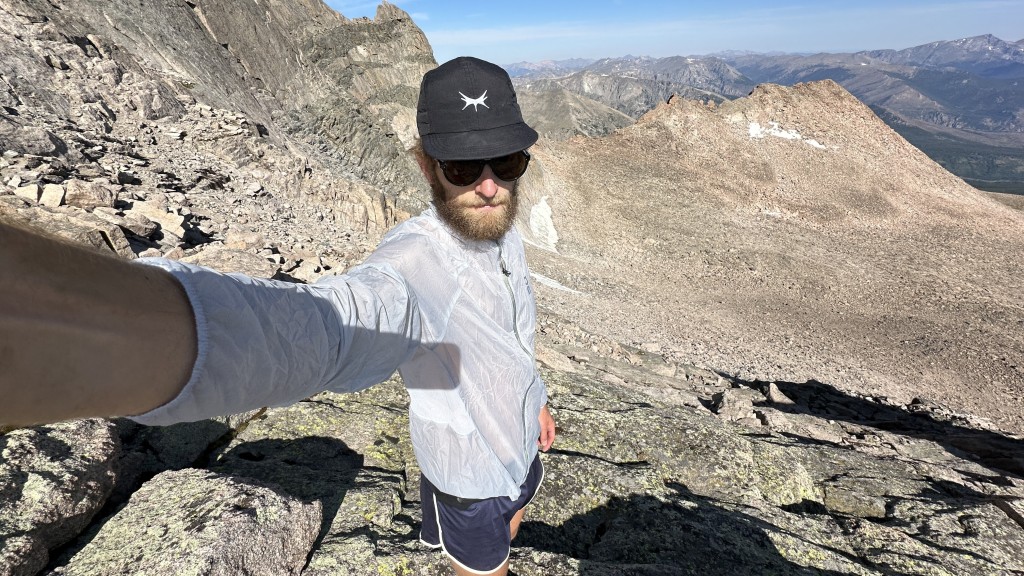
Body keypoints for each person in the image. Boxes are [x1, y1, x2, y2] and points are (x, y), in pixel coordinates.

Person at [0, 56, 555, 576]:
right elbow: (324, 327)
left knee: (514, 513)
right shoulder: (414, 263)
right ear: (426, 165)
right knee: (482, 557)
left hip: (520, 438)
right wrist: (69, 325)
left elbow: (512, 331)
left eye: (506, 161)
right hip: (467, 469)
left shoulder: (499, 229)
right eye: (462, 167)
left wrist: (534, 398)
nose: (488, 186)